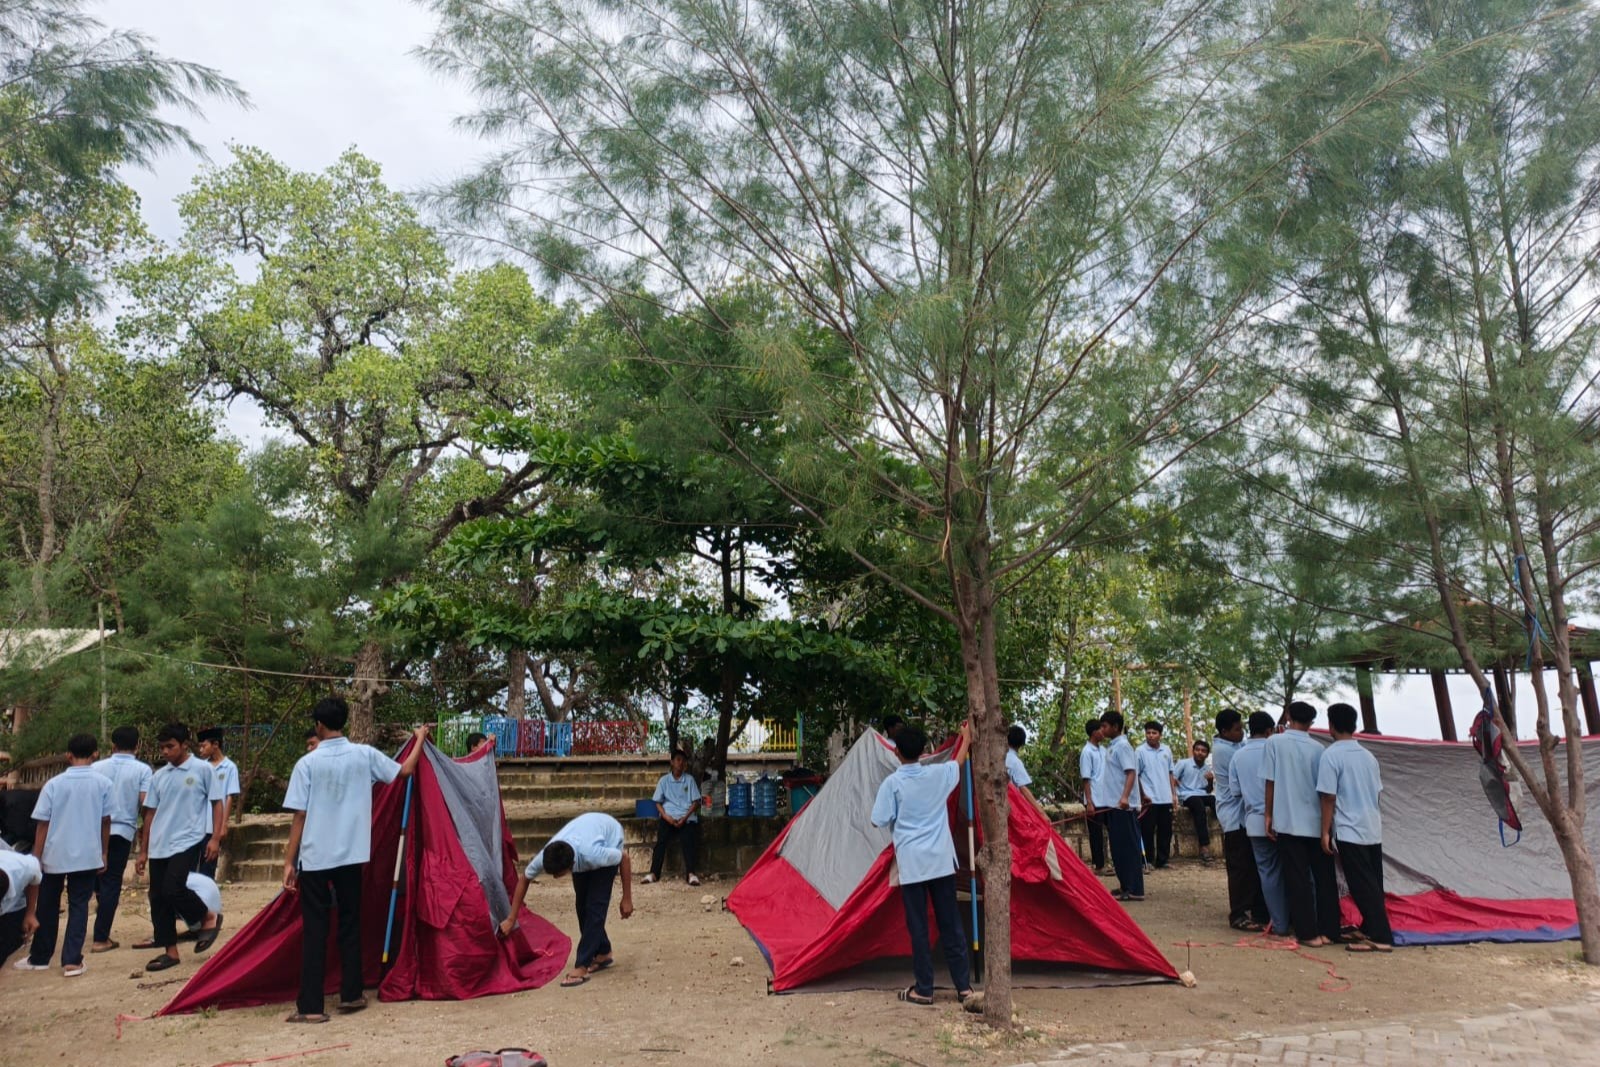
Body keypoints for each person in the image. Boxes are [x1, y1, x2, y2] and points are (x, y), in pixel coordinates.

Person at [282, 697, 428, 1023]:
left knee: (316, 929)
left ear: (318, 726)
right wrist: (418, 738)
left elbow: (299, 817)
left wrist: (289, 862)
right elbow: (404, 770)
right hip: (352, 854)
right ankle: (351, 994)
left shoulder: (307, 764)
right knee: (350, 923)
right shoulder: (364, 755)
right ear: (343, 722)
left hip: (316, 856)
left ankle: (311, 1007)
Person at [870, 724, 973, 1006]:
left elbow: (877, 819)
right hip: (940, 861)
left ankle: (924, 989)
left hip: (912, 864)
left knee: (919, 928)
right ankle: (964, 988)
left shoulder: (892, 784)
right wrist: (967, 737)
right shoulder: (937, 774)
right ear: (924, 751)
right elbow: (958, 762)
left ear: (896, 751)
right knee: (951, 924)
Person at [499, 811, 635, 989]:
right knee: (582, 908)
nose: (555, 878)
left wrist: (627, 898)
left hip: (608, 835)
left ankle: (582, 965)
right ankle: (602, 952)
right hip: (587, 833)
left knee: (595, 908)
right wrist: (511, 918)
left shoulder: (594, 855)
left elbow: (624, 858)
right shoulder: (548, 854)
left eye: (558, 874)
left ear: (571, 865)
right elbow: (524, 879)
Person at [17, 734, 111, 976]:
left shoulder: (54, 784)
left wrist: (36, 857)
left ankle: (39, 957)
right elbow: (105, 821)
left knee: (47, 904)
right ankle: (72, 960)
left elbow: (42, 824)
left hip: (54, 854)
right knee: (79, 905)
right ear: (95, 754)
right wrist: (104, 852)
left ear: (68, 755)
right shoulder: (103, 784)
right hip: (87, 855)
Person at [136, 723, 223, 971]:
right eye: (162, 747)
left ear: (185, 745)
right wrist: (143, 850)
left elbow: (217, 803)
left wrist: (215, 838)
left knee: (173, 887)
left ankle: (206, 915)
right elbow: (150, 813)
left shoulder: (203, 769)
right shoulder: (159, 776)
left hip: (189, 839)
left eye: (170, 747)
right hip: (159, 843)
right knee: (158, 898)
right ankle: (170, 952)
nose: (165, 752)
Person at [1318, 702, 1393, 953]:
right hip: (1372, 826)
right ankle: (1371, 927)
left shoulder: (1331, 756)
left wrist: (1325, 832)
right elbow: (1378, 794)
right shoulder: (1367, 756)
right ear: (1354, 725)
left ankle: (1381, 937)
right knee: (1373, 882)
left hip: (1350, 829)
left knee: (1362, 884)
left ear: (1331, 725)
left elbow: (1328, 797)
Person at [1265, 700, 1340, 946]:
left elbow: (1270, 781)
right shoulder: (1319, 749)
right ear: (1312, 722)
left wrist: (1268, 814)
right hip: (1317, 822)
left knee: (1297, 879)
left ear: (1288, 716)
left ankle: (1308, 933)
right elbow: (1325, 790)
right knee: (1324, 879)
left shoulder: (1275, 742)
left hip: (1288, 821)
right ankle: (1330, 930)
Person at [1230, 711, 1291, 940]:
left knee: (1267, 873)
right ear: (1269, 731)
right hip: (1284, 819)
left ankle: (1278, 922)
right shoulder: (1277, 750)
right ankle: (1297, 919)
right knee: (1291, 870)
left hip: (1254, 821)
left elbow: (1235, 792)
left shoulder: (1239, 755)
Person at [90, 725, 152, 952]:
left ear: (112, 745)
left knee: (95, 876)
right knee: (112, 881)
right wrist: (145, 835)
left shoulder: (96, 768)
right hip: (123, 830)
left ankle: (97, 926)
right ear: (137, 745)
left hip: (94, 830)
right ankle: (100, 937)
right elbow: (146, 804)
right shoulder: (143, 770)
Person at [1211, 709, 1268, 932]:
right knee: (1239, 867)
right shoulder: (1224, 751)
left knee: (1249, 865)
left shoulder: (1235, 746)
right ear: (1224, 731)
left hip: (1242, 814)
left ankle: (1253, 908)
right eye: (1237, 729)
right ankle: (1238, 913)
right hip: (1234, 815)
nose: (1241, 732)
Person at [1098, 711, 1144, 901]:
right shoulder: (1113, 747)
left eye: (1105, 726)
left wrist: (1125, 797)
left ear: (1116, 727)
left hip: (1122, 806)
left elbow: (1131, 773)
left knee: (1127, 848)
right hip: (1113, 805)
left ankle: (1134, 888)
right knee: (1118, 848)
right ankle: (1125, 884)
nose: (1102, 730)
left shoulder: (1123, 747)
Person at [642, 749, 701, 887]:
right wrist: (666, 817)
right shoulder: (664, 781)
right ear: (672, 762)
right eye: (678, 760)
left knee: (689, 841)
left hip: (686, 818)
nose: (681, 763)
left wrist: (684, 818)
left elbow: (696, 802)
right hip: (669, 817)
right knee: (661, 842)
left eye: (683, 761)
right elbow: (657, 802)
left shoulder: (689, 780)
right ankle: (654, 873)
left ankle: (691, 874)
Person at [195, 728, 241, 880]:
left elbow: (229, 797)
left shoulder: (229, 767)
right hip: (196, 824)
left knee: (208, 865)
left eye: (204, 746)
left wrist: (223, 824)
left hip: (213, 825)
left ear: (215, 744)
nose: (201, 750)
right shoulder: (200, 767)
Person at [1136, 721, 1176, 869]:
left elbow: (1170, 773)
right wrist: (1142, 795)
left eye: (1154, 733)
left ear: (1160, 735)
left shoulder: (1166, 750)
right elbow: (1136, 775)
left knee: (1165, 830)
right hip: (1149, 798)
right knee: (1147, 830)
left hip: (1165, 797)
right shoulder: (1140, 751)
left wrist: (1173, 794)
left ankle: (1163, 860)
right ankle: (1148, 861)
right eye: (1148, 732)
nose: (1151, 736)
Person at [0, 846, 42, 968]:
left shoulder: (24, 867)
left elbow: (34, 878)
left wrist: (30, 913)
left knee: (11, 942)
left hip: (16, 906)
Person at [1175, 739, 1216, 864]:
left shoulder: (1206, 768)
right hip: (1186, 795)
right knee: (1198, 806)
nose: (1200, 753)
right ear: (1193, 751)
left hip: (1201, 794)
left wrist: (1210, 781)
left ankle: (1227, 836)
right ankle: (1204, 848)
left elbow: (1208, 790)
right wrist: (1174, 795)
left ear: (1207, 754)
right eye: (1197, 750)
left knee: (1215, 801)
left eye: (1203, 751)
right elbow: (1172, 778)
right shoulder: (1183, 763)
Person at [1078, 719, 1107, 872]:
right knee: (1096, 834)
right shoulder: (1086, 752)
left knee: (1108, 832)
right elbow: (1086, 778)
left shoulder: (1103, 750)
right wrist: (1089, 802)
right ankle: (1099, 864)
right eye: (1101, 729)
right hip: (1094, 798)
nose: (1104, 732)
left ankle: (1107, 862)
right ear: (1094, 732)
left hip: (1106, 798)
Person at [1005, 725, 1045, 814]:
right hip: (1012, 809)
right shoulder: (1015, 762)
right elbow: (1023, 789)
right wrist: (1042, 813)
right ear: (1021, 744)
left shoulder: (997, 757)